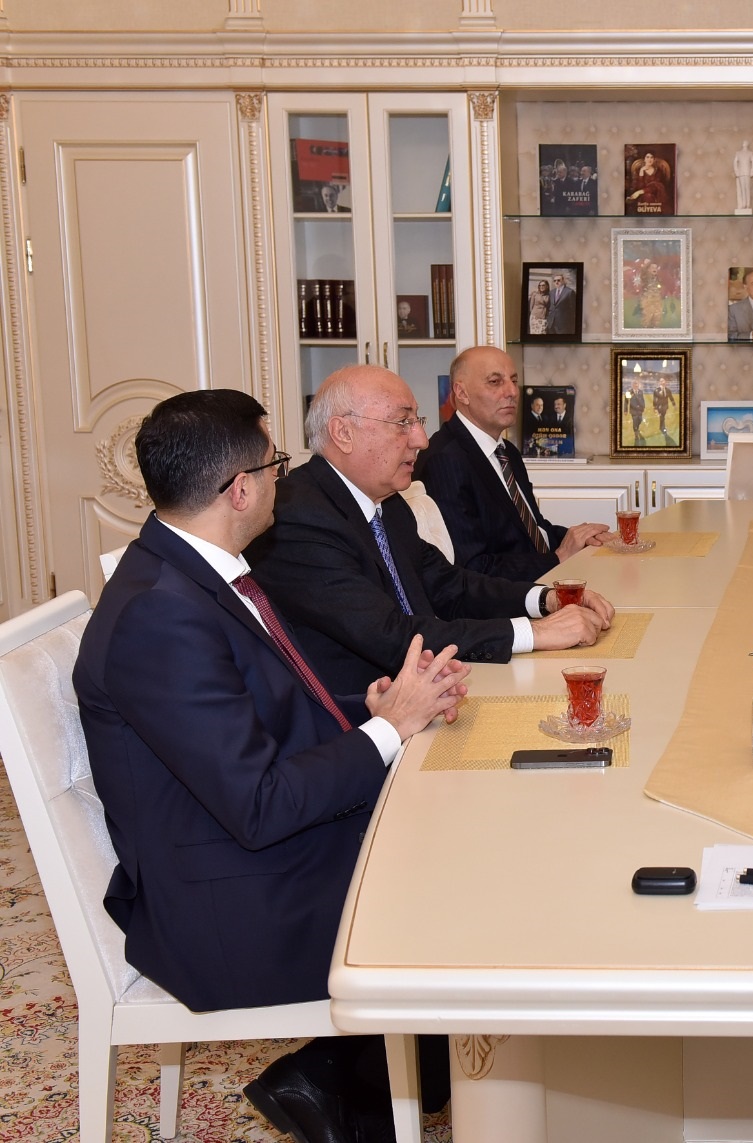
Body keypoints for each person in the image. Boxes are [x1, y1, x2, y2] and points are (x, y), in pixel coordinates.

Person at [75, 389, 469, 1142]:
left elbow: (262, 716)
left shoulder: (200, 572)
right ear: (240, 489)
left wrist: (375, 706)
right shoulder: (161, 612)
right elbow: (258, 804)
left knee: (460, 826)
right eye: (274, 464)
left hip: (251, 855)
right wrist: (388, 730)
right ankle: (350, 1080)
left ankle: (370, 1081)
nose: (284, 479)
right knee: (458, 880)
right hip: (230, 908)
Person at [246, 364, 614, 695]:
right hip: (366, 715)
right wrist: (536, 633)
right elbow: (390, 635)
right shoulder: (297, 515)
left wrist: (546, 599)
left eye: (417, 420)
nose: (421, 439)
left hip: (428, 687)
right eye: (402, 423)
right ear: (343, 432)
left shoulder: (386, 502)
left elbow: (451, 586)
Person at [415, 349, 610, 581]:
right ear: (462, 393)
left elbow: (531, 531)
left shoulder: (506, 451)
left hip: (535, 580)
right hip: (507, 597)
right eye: (495, 382)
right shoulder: (444, 460)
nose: (512, 392)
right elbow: (471, 568)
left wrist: (582, 538)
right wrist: (558, 558)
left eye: (514, 381)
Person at [733, 140, 753, 212]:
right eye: (743, 143)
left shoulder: (750, 153)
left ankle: (748, 204)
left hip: (747, 172)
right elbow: (735, 163)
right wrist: (736, 171)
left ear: (747, 144)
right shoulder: (738, 153)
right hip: (741, 173)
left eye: (745, 143)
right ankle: (743, 204)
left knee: (747, 188)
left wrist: (752, 171)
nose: (744, 144)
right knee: (742, 189)